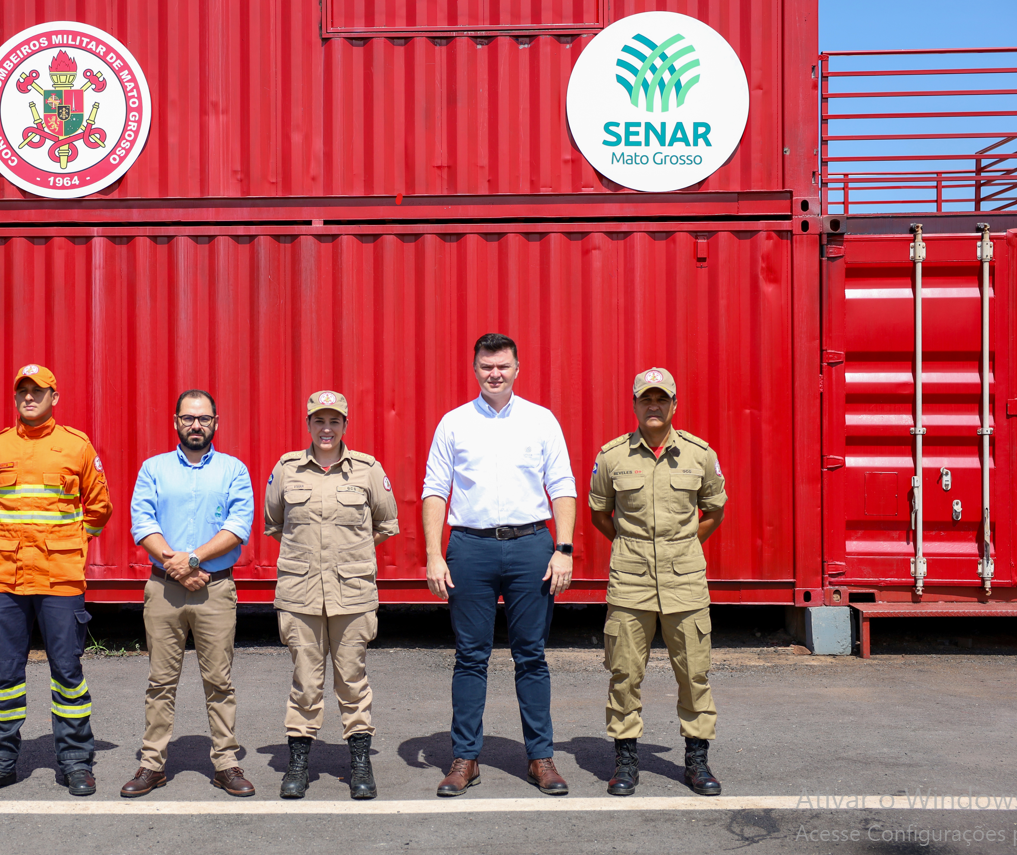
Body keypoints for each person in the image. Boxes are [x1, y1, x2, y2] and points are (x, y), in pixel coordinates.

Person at [422, 333, 577, 797]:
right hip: (471, 548)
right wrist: (434, 553)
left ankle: (540, 758)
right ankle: (465, 758)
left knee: (532, 655)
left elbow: (563, 485)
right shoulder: (454, 423)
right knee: (471, 657)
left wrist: (563, 549)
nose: (495, 374)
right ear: (475, 370)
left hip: (532, 545)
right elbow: (435, 489)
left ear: (517, 368)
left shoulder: (540, 421)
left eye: (503, 366)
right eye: (487, 367)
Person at [0, 364, 112, 797]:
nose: (29, 397)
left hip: (61, 579)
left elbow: (99, 507)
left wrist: (71, 541)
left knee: (68, 673)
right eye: (22, 391)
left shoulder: (76, 447)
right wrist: (9, 540)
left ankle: (75, 761)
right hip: (7, 580)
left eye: (38, 391)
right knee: (5, 676)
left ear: (55, 396)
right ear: (15, 398)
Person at [589, 368, 727, 797]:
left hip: (685, 581)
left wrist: (682, 545)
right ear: (634, 405)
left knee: (694, 674)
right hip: (630, 583)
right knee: (624, 674)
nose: (654, 406)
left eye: (661, 399)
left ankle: (697, 760)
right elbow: (599, 513)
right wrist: (631, 548)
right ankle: (626, 761)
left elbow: (714, 509)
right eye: (646, 399)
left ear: (674, 405)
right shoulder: (612, 456)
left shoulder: (699, 454)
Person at [264, 390, 399, 800]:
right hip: (300, 592)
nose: (326, 429)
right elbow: (275, 524)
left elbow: (385, 523)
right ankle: (299, 763)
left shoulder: (367, 470)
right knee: (305, 683)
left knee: (352, 680)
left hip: (352, 592)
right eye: (319, 421)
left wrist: (349, 554)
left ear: (345, 425)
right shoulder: (287, 470)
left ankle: (359, 762)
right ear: (308, 425)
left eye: (334, 421)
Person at [123, 389, 257, 798]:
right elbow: (142, 520)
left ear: (216, 422)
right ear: (176, 422)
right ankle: (152, 765)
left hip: (215, 589)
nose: (195, 425)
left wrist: (192, 561)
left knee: (219, 680)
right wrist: (175, 566)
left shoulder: (234, 470)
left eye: (203, 418)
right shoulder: (154, 469)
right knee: (160, 681)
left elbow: (239, 525)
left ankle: (226, 763)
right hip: (164, 589)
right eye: (188, 418)